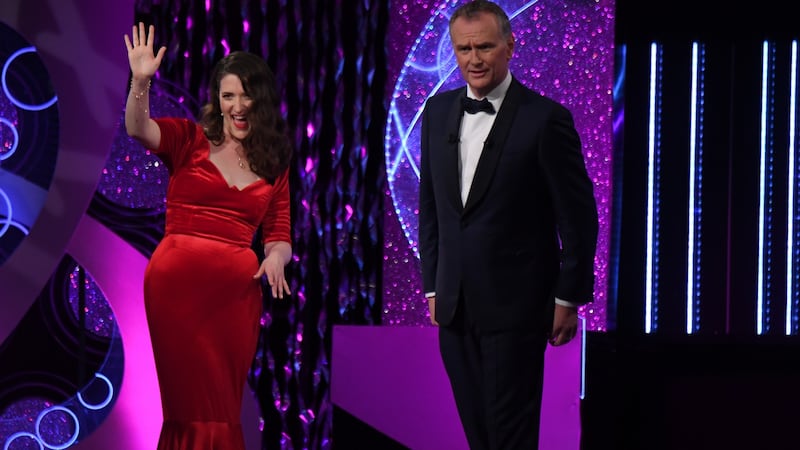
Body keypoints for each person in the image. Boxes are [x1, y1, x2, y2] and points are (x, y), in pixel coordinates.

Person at [417, 1, 599, 448]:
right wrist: (433, 288)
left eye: (484, 47)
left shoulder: (545, 119)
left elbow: (578, 217)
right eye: (463, 49)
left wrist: (568, 297)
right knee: (479, 437)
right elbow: (433, 207)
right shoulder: (437, 112)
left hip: (517, 308)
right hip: (454, 307)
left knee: (510, 439)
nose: (474, 59)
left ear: (509, 46)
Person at [123, 23, 293, 449]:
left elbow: (279, 235)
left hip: (234, 301)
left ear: (263, 101)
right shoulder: (189, 139)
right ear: (218, 101)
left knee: (221, 408)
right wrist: (140, 81)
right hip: (176, 292)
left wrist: (275, 258)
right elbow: (138, 129)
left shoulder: (275, 162)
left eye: (246, 95)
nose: (237, 106)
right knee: (189, 408)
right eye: (227, 95)